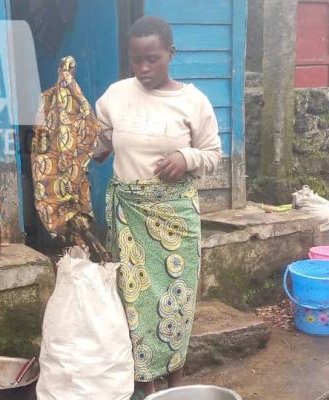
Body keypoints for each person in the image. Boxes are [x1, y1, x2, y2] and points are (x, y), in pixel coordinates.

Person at [93, 15, 222, 399]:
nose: (144, 68)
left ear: (171, 53)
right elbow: (98, 147)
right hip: (129, 214)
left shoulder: (193, 101)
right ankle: (146, 385)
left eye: (153, 58)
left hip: (175, 218)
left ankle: (176, 382)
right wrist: (77, 145)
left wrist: (186, 157)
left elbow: (214, 154)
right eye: (137, 60)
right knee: (134, 301)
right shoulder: (115, 96)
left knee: (177, 301)